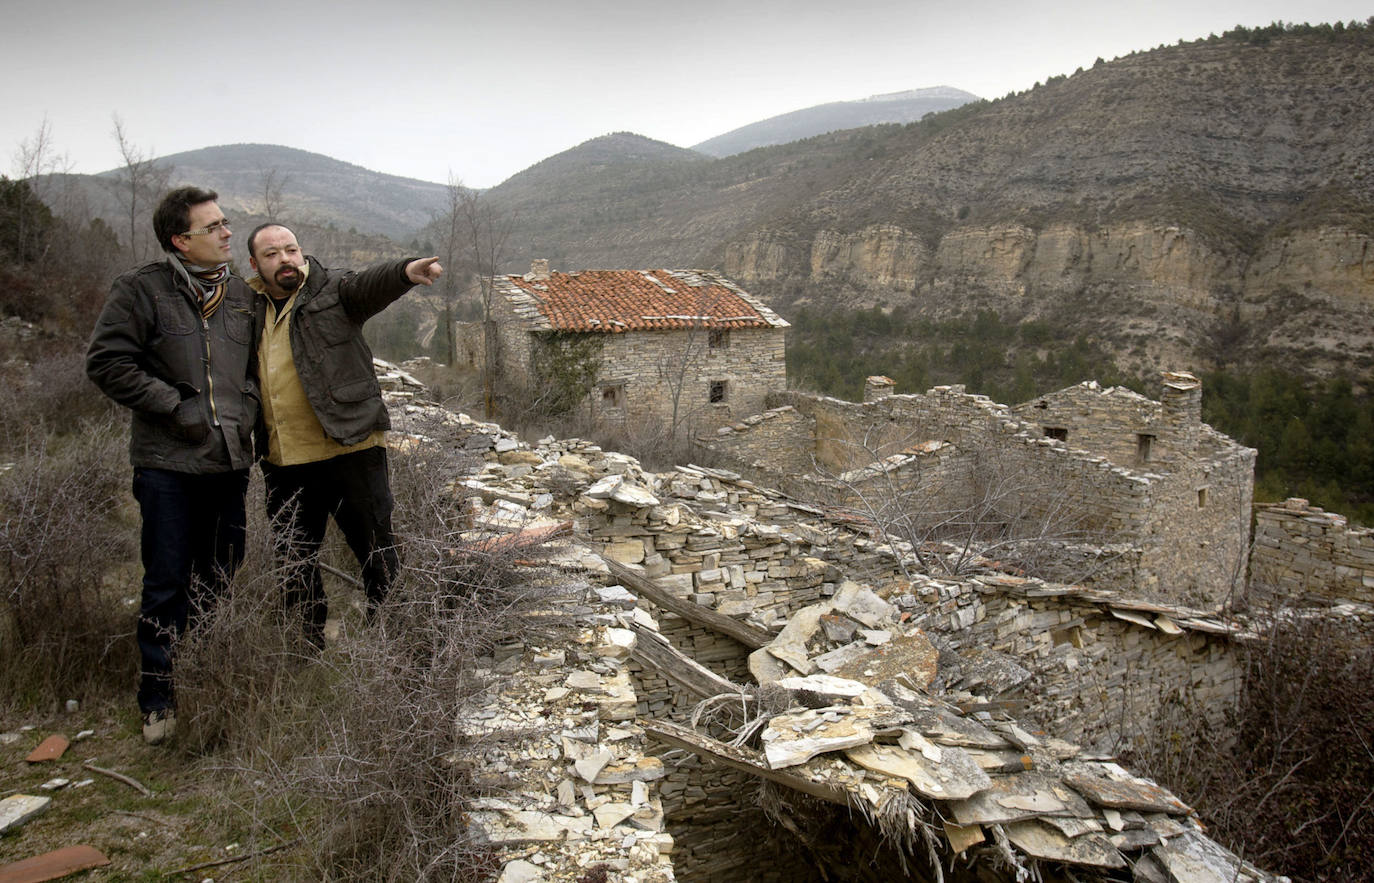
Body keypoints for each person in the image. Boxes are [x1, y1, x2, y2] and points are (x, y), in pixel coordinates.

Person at [86, 187, 259, 745]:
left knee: (220, 577)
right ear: (180, 240)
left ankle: (207, 678)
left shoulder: (239, 294)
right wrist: (175, 406)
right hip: (167, 465)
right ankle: (158, 699)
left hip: (229, 462)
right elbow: (107, 363)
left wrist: (246, 412)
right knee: (166, 581)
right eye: (214, 227)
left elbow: (252, 371)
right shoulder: (141, 290)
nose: (228, 233)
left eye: (226, 222)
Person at [246, 223, 441, 647]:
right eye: (272, 254)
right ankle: (306, 647)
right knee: (294, 564)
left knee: (378, 553)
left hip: (351, 448)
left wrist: (405, 271)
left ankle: (395, 643)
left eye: (291, 250)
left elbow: (368, 286)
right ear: (254, 265)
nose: (285, 260)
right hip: (285, 460)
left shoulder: (332, 291)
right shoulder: (245, 309)